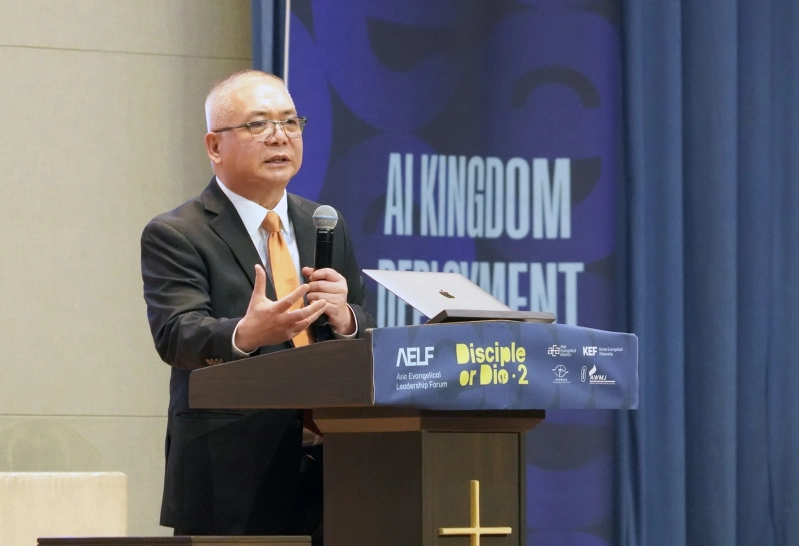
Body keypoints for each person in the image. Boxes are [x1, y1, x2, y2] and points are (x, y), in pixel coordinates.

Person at [140, 69, 374, 539]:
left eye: (290, 123)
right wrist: (247, 334)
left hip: (337, 464)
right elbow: (177, 335)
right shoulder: (177, 233)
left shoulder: (324, 223)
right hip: (231, 471)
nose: (279, 137)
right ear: (214, 147)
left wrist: (346, 318)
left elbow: (363, 323)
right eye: (258, 124)